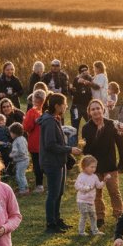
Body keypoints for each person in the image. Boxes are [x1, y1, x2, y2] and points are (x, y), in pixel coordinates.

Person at [38, 93, 82, 231]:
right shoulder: (49, 121)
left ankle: (57, 219)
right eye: (64, 104)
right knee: (53, 194)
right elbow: (50, 144)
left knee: (59, 193)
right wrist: (69, 149)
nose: (66, 106)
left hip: (59, 161)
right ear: (57, 106)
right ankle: (51, 224)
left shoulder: (54, 119)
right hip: (52, 163)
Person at [81, 99, 123, 228]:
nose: (96, 111)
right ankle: (100, 217)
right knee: (96, 194)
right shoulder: (86, 128)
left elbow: (121, 145)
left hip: (110, 166)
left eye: (98, 108)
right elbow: (86, 151)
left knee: (114, 192)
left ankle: (119, 215)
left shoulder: (112, 125)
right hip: (94, 169)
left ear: (103, 110)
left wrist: (122, 163)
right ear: (89, 112)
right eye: (93, 109)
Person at [23, 90, 47, 195]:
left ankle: (39, 185)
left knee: (37, 164)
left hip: (34, 142)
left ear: (33, 100)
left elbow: (27, 127)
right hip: (45, 142)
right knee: (45, 163)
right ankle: (49, 183)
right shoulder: (45, 112)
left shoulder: (31, 112)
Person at [74, 155, 106, 236]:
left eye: (95, 167)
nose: (94, 169)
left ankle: (95, 231)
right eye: (91, 167)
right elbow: (77, 186)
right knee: (84, 215)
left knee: (93, 216)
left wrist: (104, 181)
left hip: (91, 201)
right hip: (82, 200)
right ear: (84, 167)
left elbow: (99, 186)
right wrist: (86, 188)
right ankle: (81, 232)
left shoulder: (94, 176)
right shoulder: (81, 176)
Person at [69, 64, 95, 131]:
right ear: (79, 72)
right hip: (76, 106)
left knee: (92, 125)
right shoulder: (76, 79)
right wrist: (71, 89)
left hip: (87, 106)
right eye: (82, 70)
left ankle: (91, 141)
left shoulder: (91, 79)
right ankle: (74, 141)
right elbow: (72, 92)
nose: (84, 72)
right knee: (75, 127)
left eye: (86, 70)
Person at [8, 122, 30, 196]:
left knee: (20, 175)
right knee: (20, 174)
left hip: (22, 160)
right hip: (21, 160)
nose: (10, 135)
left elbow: (22, 151)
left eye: (11, 133)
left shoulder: (19, 140)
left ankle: (23, 189)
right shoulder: (20, 139)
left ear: (14, 133)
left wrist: (12, 155)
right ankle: (22, 187)